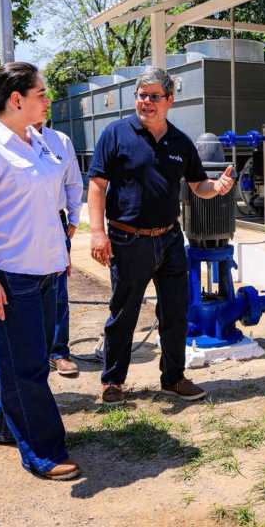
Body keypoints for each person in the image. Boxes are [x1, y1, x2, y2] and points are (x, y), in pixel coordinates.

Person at [0, 62, 79, 481]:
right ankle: (43, 450)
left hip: (46, 272)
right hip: (8, 277)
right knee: (25, 369)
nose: (48, 99)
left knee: (22, 360)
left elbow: (53, 196)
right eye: (42, 93)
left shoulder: (36, 141)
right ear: (17, 99)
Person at [88, 66, 234, 406]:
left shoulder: (181, 142)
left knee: (175, 312)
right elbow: (97, 185)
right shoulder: (115, 134)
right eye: (142, 95)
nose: (147, 102)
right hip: (128, 240)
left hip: (169, 239)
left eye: (154, 96)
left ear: (170, 100)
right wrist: (97, 233)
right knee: (124, 312)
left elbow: (199, 185)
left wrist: (219, 188)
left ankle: (173, 378)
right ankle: (113, 381)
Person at [33, 120, 84, 377]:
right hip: (23, 222)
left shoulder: (60, 141)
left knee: (58, 291)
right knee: (25, 291)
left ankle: (58, 353)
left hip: (56, 221)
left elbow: (73, 182)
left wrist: (73, 220)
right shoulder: (7, 139)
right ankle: (34, 356)